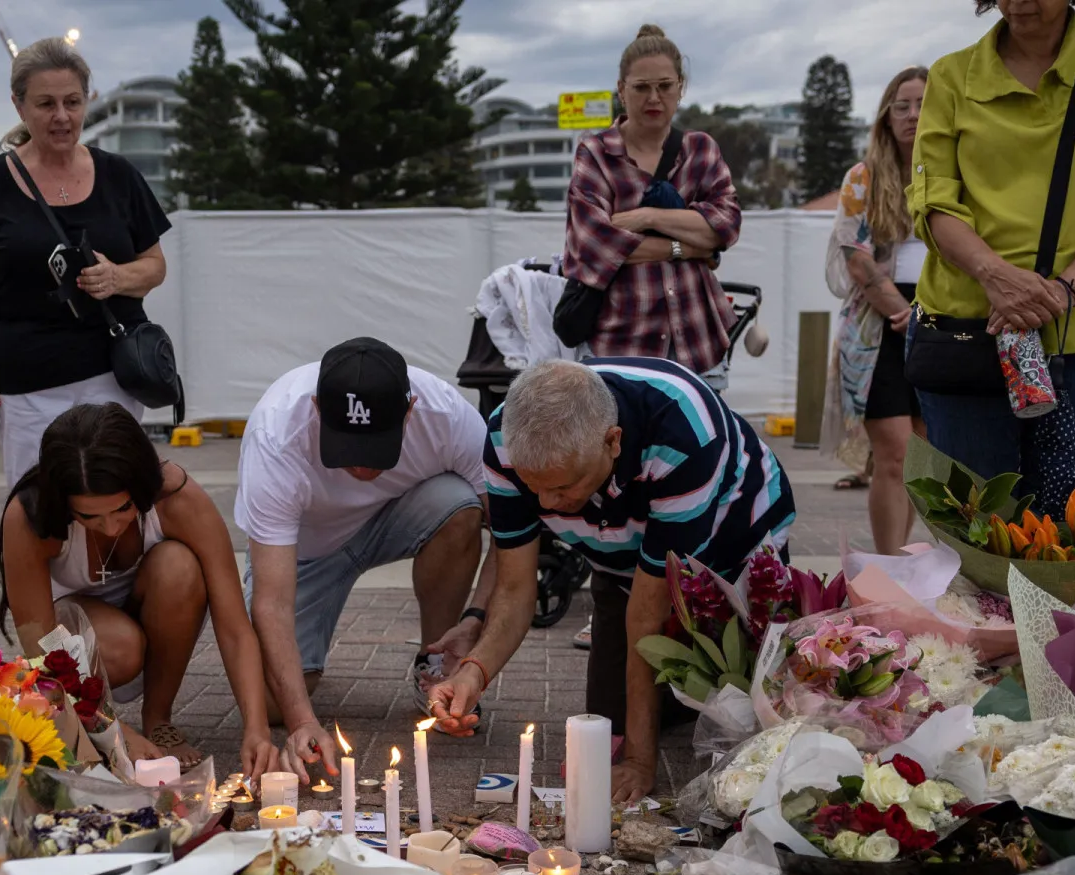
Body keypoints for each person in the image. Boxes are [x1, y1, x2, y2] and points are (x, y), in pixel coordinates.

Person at [429, 358, 797, 805]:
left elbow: (647, 614)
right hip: (621, 557)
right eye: (534, 488)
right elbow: (514, 588)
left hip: (734, 539)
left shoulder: (683, 433)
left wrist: (641, 763)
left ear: (612, 441)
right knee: (610, 721)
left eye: (563, 487)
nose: (548, 504)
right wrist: (474, 673)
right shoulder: (506, 439)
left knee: (752, 701)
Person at [909, 0, 1075, 488]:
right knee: (973, 522)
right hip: (967, 329)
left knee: (1064, 534)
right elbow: (933, 203)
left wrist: (1063, 291)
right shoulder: (952, 75)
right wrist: (996, 276)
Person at [238, 338, 497, 776]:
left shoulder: (449, 416)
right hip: (304, 553)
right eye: (348, 450)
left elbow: (514, 537)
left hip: (399, 517)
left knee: (460, 506)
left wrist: (475, 622)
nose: (361, 469)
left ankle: (437, 665)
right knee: (273, 703)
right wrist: (302, 719)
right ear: (318, 408)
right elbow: (273, 601)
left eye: (375, 448)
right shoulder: (276, 432)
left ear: (410, 409)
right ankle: (306, 675)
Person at [0, 37, 171, 488]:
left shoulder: (119, 175)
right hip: (24, 384)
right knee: (37, 509)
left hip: (112, 377)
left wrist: (117, 276)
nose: (61, 116)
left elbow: (155, 266)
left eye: (72, 101)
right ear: (19, 106)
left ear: (88, 100)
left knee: (116, 503)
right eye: (46, 103)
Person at [0, 403, 277, 772]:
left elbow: (235, 627)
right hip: (78, 634)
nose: (112, 527)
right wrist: (114, 731)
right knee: (121, 648)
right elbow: (41, 647)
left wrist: (256, 729)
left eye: (123, 508)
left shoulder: (177, 497)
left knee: (180, 567)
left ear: (142, 485)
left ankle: (158, 718)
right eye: (88, 516)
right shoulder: (30, 516)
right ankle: (90, 726)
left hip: (158, 607)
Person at [564, 25, 742, 386]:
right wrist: (688, 246)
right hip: (619, 344)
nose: (654, 97)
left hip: (698, 342)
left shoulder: (701, 149)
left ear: (681, 87)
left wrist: (648, 216)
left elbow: (727, 225)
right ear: (621, 90)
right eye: (641, 87)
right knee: (620, 443)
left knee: (695, 444)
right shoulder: (595, 153)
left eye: (665, 86)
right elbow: (593, 244)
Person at [824, 66, 930, 555]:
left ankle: (904, 565)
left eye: (922, 104)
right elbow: (857, 260)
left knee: (920, 458)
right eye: (902, 105)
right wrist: (905, 313)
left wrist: (930, 316)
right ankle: (889, 569)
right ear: (886, 115)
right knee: (894, 453)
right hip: (880, 327)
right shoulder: (862, 178)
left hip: (942, 323)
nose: (911, 114)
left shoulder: (955, 173)